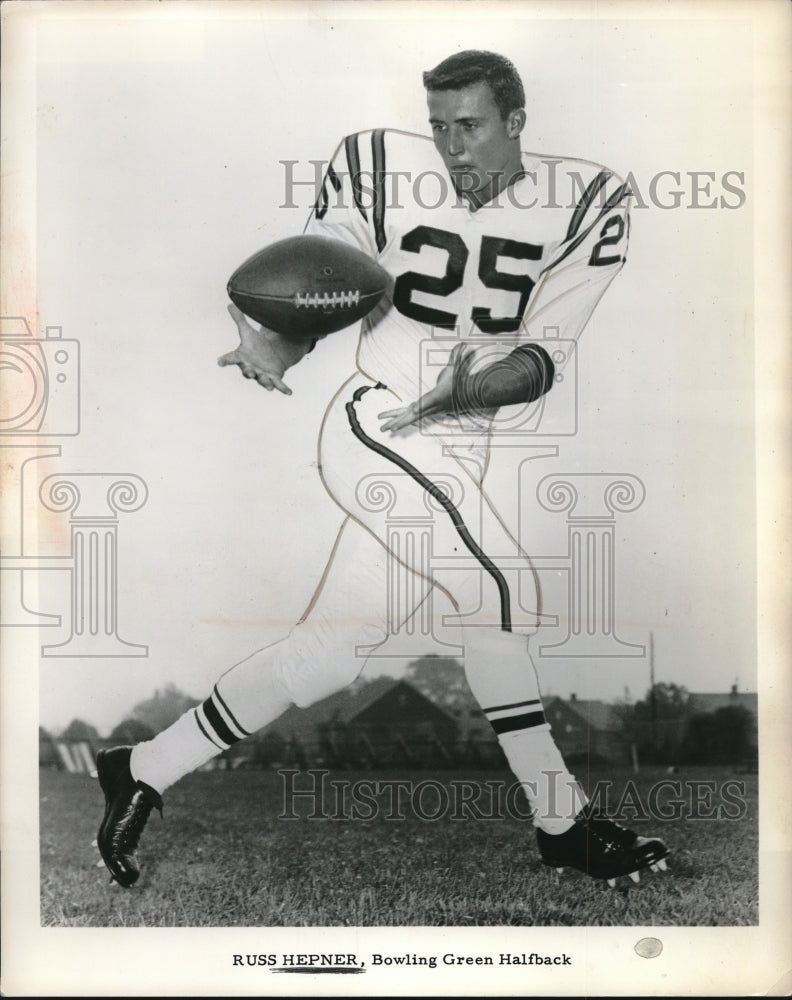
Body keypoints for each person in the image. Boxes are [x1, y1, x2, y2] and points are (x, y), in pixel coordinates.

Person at [95, 50, 668, 890]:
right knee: (497, 591)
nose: (451, 147)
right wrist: (273, 339)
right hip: (379, 424)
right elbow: (326, 286)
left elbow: (543, 359)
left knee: (325, 657)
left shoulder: (587, 202)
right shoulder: (376, 166)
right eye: (437, 126)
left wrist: (471, 387)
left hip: (452, 446)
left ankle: (141, 767)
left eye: (470, 127)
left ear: (517, 123)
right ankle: (563, 823)